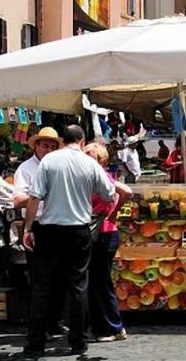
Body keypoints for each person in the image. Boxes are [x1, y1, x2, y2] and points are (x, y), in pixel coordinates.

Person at [21, 126, 127, 358]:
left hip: (49, 230)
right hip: (79, 230)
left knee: (42, 287)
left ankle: (35, 343)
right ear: (80, 141)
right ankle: (78, 343)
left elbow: (34, 197)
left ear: (62, 141)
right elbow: (110, 193)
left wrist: (28, 228)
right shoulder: (90, 163)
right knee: (78, 286)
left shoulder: (49, 162)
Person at [84, 144, 128, 343]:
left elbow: (126, 191)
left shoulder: (100, 175)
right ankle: (104, 326)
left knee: (100, 281)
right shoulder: (92, 176)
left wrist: (111, 213)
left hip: (103, 234)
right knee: (97, 281)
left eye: (90, 156)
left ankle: (112, 327)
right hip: (102, 233)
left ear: (101, 160)